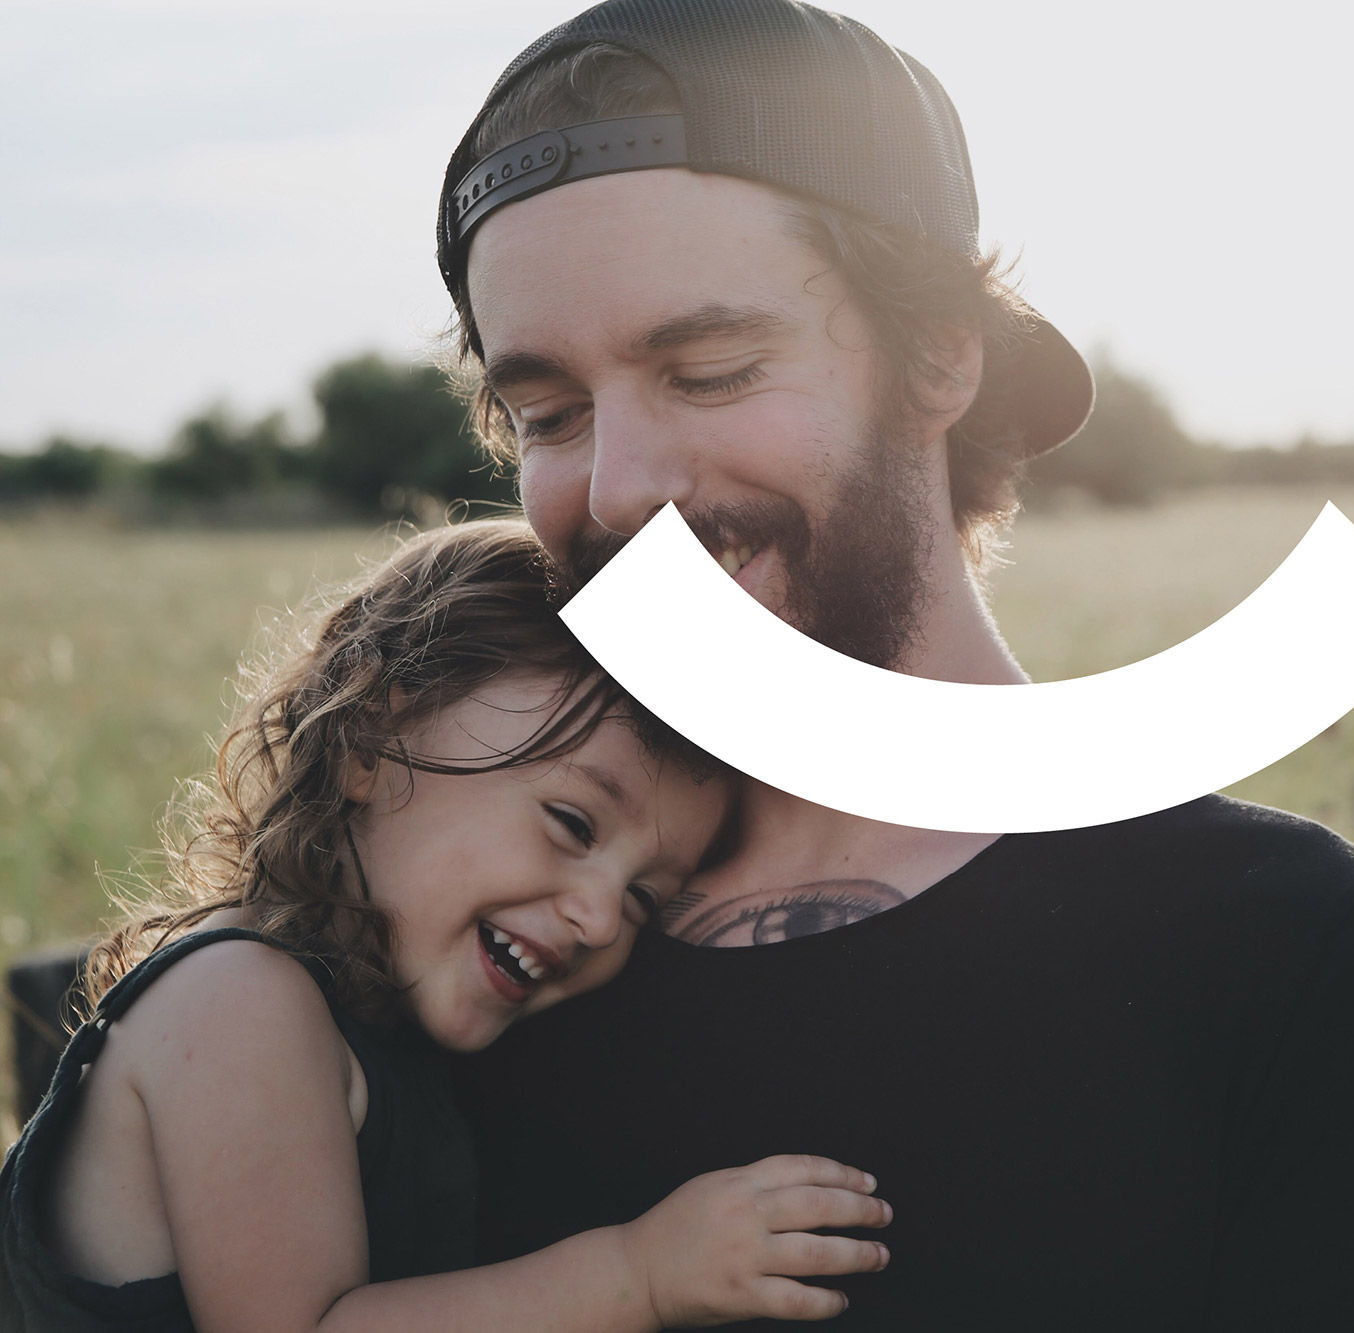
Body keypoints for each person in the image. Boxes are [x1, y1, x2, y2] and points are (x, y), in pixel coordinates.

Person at [443, 2, 1354, 1326]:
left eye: (708, 370)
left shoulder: (1280, 944)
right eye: (547, 414)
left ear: (940, 355)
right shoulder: (488, 937)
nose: (617, 487)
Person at [0, 519, 894, 1331]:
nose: (595, 916)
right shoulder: (239, 1002)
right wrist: (642, 1273)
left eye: (640, 900)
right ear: (369, 736)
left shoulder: (383, 1033)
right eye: (572, 824)